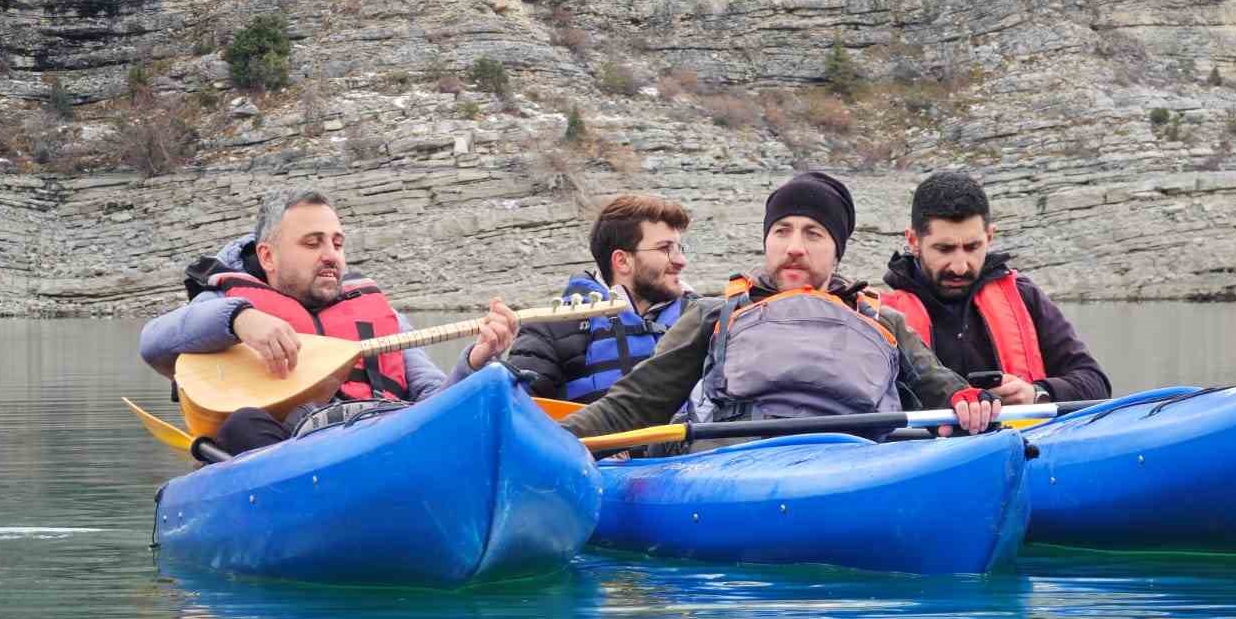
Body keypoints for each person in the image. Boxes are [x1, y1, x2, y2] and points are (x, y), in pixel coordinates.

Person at [560, 171, 999, 451]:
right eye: (782, 231)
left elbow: (944, 389)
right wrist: (554, 442)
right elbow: (633, 405)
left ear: (837, 250)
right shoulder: (715, 316)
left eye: (813, 234)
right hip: (732, 474)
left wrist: (970, 403)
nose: (794, 248)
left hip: (853, 468)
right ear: (767, 240)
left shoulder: (881, 321)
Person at [139, 189, 519, 454]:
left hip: (387, 437)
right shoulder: (227, 303)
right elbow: (153, 342)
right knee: (243, 425)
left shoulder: (381, 315)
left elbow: (436, 402)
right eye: (312, 243)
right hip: (294, 449)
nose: (330, 256)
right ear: (268, 257)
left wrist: (476, 360)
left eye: (337, 244)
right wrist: (239, 318)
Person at [880, 171, 1109, 404]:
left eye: (972, 247)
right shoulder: (879, 316)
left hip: (1023, 437)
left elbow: (1095, 383)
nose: (960, 267)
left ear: (989, 237)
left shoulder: (1024, 296)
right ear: (913, 241)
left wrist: (1037, 393)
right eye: (944, 249)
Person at [453, 194, 696, 404]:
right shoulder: (549, 329)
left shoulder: (703, 318)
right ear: (622, 261)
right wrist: (481, 363)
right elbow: (515, 412)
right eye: (665, 249)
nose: (680, 261)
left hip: (699, 457)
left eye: (679, 249)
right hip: (597, 457)